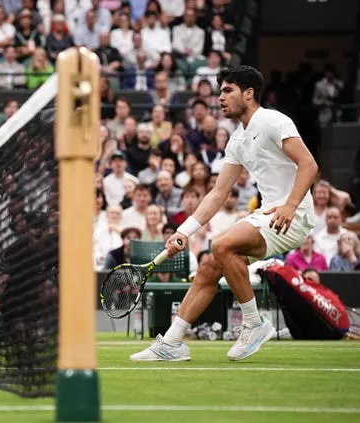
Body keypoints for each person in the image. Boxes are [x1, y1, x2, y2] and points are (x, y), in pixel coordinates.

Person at [130, 66, 318, 362]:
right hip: (268, 215)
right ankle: (172, 342)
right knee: (208, 265)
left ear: (248, 93)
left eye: (227, 90)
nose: (220, 98)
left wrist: (291, 205)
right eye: (220, 91)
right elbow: (217, 193)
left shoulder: (273, 121)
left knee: (221, 244)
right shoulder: (237, 140)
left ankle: (254, 323)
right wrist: (185, 231)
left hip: (292, 216)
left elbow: (308, 164)